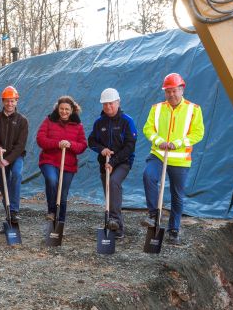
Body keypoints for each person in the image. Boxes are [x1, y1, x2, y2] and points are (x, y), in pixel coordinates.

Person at [141, 73, 205, 245]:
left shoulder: (194, 109)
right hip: (158, 154)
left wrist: (178, 143)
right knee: (148, 176)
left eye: (174, 91)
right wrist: (159, 141)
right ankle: (154, 215)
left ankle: (174, 230)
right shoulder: (157, 108)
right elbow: (148, 129)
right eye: (168, 91)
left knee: (177, 195)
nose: (171, 95)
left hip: (180, 158)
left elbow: (198, 133)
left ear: (182, 89)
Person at [87, 88, 137, 238]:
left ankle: (115, 221)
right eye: (105, 104)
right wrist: (101, 149)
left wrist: (114, 161)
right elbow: (91, 141)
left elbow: (130, 146)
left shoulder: (127, 121)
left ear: (118, 102)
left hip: (123, 161)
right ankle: (114, 225)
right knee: (109, 192)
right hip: (104, 163)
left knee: (114, 182)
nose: (108, 107)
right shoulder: (99, 123)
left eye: (111, 103)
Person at [36, 96, 87, 223]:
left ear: (72, 110)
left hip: (68, 165)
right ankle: (52, 211)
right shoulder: (49, 121)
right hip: (49, 160)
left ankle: (60, 223)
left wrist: (70, 144)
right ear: (57, 109)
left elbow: (83, 145)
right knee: (52, 180)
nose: (64, 112)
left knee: (63, 195)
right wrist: (57, 143)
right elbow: (40, 139)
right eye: (61, 109)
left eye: (67, 109)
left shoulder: (78, 126)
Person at [0, 86, 29, 225]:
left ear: (16, 101)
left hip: (16, 157)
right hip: (0, 157)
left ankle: (14, 211)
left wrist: (8, 160)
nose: (10, 104)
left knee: (17, 175)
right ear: (3, 101)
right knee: (4, 185)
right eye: (7, 101)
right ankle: (9, 215)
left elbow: (21, 145)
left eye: (12, 101)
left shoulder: (22, 120)